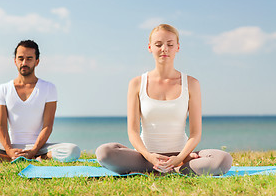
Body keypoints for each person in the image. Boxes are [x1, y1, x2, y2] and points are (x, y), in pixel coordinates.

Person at [96, 24, 232, 176]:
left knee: (223, 159)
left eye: (170, 44)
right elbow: (133, 131)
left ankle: (175, 167)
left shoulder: (192, 84)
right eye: (158, 44)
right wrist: (150, 156)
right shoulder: (136, 83)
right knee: (104, 152)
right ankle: (162, 168)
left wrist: (180, 157)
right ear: (150, 48)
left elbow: (195, 133)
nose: (164, 49)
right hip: (145, 156)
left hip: (180, 155)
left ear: (177, 48)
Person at [0, 40, 80, 163]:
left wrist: (34, 150)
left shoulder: (49, 88)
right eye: (21, 58)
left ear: (36, 61)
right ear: (15, 61)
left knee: (73, 150)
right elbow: (1, 126)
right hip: (12, 147)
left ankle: (38, 157)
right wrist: (8, 150)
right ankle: (8, 159)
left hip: (39, 147)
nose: (24, 63)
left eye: (29, 58)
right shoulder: (3, 89)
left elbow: (48, 126)